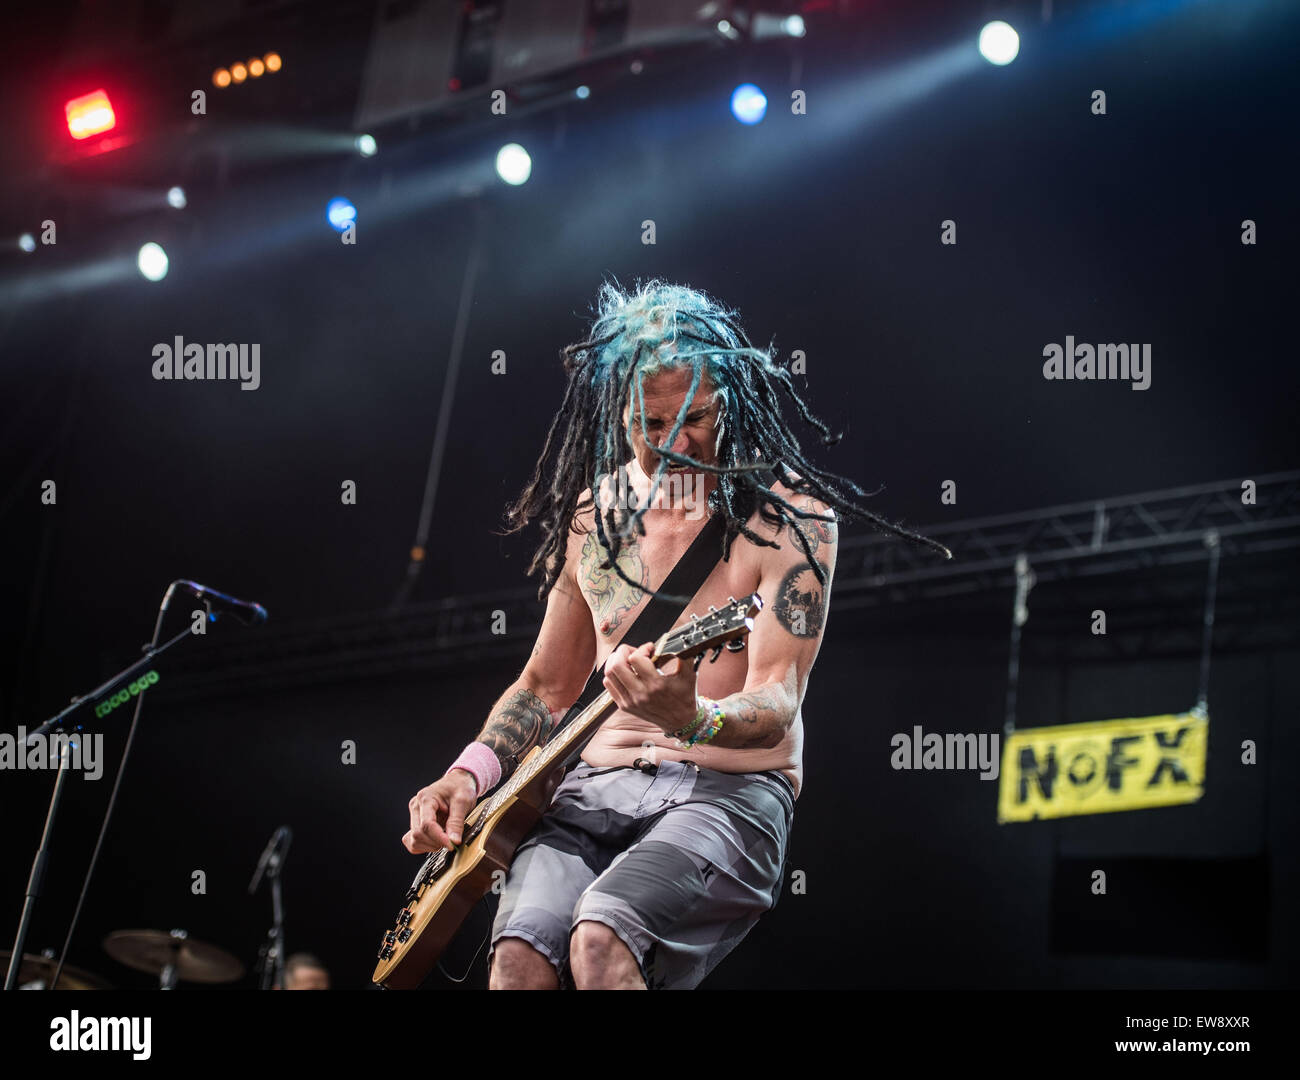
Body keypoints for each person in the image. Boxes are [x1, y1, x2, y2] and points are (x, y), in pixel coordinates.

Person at [403, 279, 948, 989]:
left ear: (733, 402)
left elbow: (778, 697)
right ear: (618, 413)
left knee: (600, 939)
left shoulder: (790, 521)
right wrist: (465, 774)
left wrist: (692, 717)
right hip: (591, 786)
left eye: (697, 418)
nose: (676, 444)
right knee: (517, 962)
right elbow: (546, 684)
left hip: (727, 793)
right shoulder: (593, 519)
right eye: (650, 425)